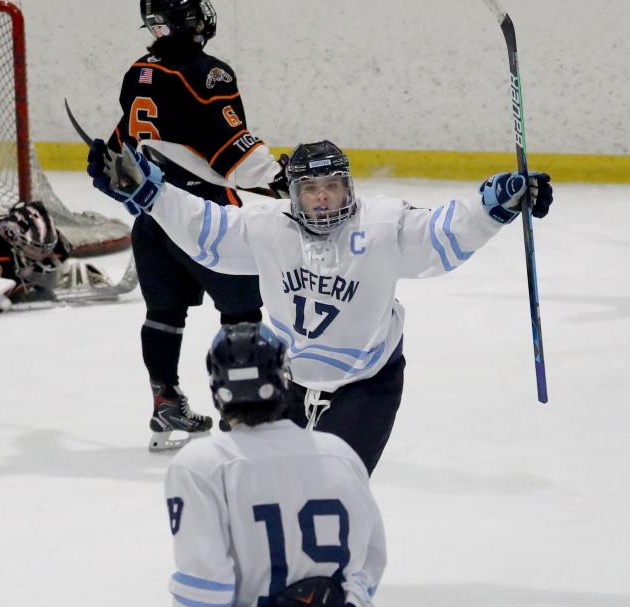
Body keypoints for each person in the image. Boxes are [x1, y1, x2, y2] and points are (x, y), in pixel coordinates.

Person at [88, 139, 554, 473]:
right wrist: (150, 191)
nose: (324, 196)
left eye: (332, 185)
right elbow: (204, 229)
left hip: (366, 386)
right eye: (311, 189)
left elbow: (442, 233)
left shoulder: (382, 224)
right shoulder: (269, 225)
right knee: (267, 489)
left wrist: (497, 203)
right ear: (294, 195)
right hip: (286, 385)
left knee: (333, 491)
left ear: (348, 187)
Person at [107, 0, 288, 452]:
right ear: (188, 21)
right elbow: (232, 151)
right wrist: (283, 180)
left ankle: (164, 400)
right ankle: (244, 410)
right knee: (243, 308)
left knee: (164, 314)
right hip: (206, 216)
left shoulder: (138, 70)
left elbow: (123, 142)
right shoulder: (209, 73)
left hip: (153, 213)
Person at [165, 322, 386, 607]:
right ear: (283, 378)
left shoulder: (201, 465)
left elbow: (205, 589)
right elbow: (370, 561)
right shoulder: (339, 454)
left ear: (218, 388)